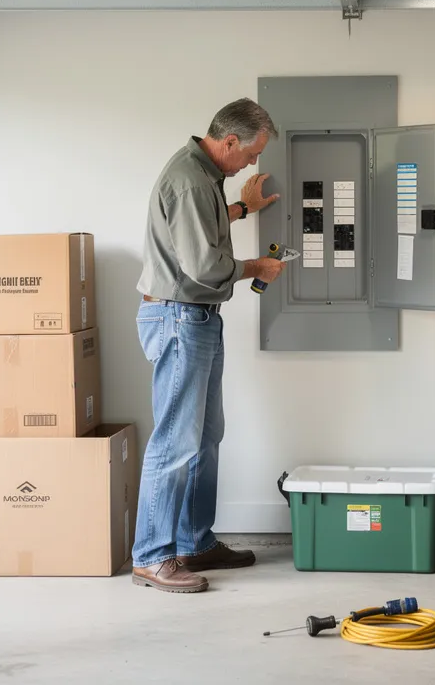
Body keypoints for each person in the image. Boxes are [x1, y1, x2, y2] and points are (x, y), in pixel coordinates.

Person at [131, 98, 286, 593]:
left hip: (195, 318)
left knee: (205, 437)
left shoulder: (203, 177)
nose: (253, 164)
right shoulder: (192, 179)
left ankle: (194, 541)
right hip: (179, 318)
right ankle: (152, 557)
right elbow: (204, 267)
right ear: (230, 142)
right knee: (176, 441)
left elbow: (199, 230)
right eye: (253, 153)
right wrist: (255, 268)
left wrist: (244, 207)